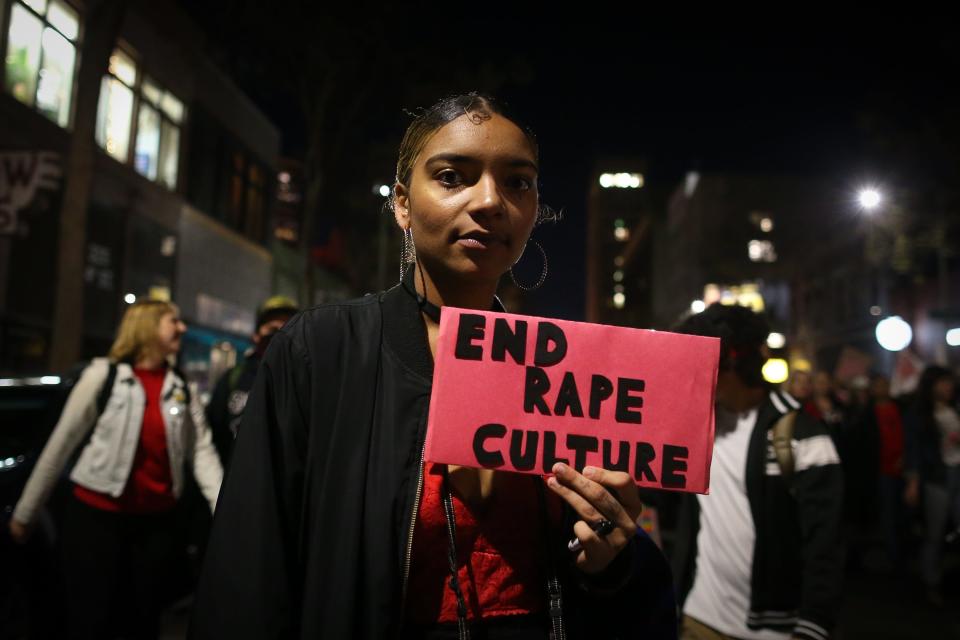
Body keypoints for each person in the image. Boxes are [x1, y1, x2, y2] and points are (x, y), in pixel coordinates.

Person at [190, 93, 677, 639]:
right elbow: (249, 570)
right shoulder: (320, 351)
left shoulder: (575, 372)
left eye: (518, 181)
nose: (490, 200)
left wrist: (608, 558)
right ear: (402, 202)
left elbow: (611, 580)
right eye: (452, 176)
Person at [8, 299, 223, 639]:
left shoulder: (181, 387)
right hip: (96, 524)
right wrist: (25, 514)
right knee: (90, 620)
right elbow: (59, 447)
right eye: (173, 321)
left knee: (142, 621)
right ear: (147, 327)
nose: (182, 328)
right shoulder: (102, 377)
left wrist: (224, 511)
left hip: (156, 527)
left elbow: (201, 453)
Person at [671, 303, 844, 640]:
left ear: (732, 362)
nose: (690, 372)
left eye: (699, 361)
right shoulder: (696, 425)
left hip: (777, 630)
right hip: (697, 619)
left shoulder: (803, 434)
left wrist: (814, 626)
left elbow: (827, 544)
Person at [205, 295, 299, 466]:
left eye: (287, 326)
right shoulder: (234, 378)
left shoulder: (305, 381)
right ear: (256, 335)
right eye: (272, 328)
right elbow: (213, 434)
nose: (279, 333)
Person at [904, 365, 960, 606]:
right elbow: (914, 451)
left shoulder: (955, 408)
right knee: (935, 533)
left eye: (950, 382)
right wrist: (913, 483)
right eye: (943, 382)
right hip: (937, 477)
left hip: (957, 472)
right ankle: (931, 581)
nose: (948, 387)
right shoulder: (919, 414)